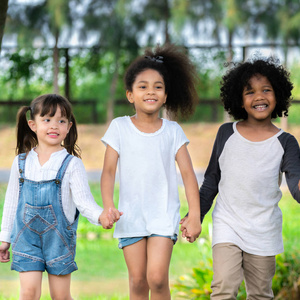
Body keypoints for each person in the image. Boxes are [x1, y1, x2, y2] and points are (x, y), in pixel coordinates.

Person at [185, 57, 300, 299]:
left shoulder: (286, 142)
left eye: (266, 90)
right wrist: (196, 215)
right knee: (224, 287)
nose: (259, 97)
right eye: (250, 92)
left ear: (277, 94)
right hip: (228, 224)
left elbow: (296, 188)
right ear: (239, 99)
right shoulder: (227, 133)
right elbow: (211, 181)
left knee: (260, 294)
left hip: (264, 230)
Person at [100, 43, 202, 299]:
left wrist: (195, 215)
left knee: (156, 278)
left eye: (158, 87)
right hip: (129, 215)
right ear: (130, 95)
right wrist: (108, 206)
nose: (151, 92)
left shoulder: (173, 130)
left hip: (163, 215)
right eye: (142, 86)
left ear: (166, 95)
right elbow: (109, 171)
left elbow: (188, 175)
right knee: (137, 282)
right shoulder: (119, 127)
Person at [0, 94, 121, 300]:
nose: (54, 126)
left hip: (59, 240)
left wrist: (101, 216)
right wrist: (4, 238)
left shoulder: (72, 164)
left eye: (61, 121)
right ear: (32, 124)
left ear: (69, 126)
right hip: (25, 238)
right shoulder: (20, 162)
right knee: (28, 293)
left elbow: (84, 202)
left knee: (61, 296)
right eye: (47, 120)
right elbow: (11, 202)